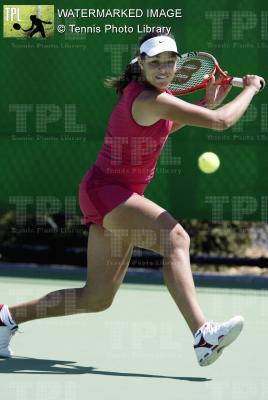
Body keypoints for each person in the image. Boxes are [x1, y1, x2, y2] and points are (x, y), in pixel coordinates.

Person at [0, 31, 264, 366]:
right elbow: (221, 122)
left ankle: (6, 318)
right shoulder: (152, 98)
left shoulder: (148, 95)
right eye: (156, 63)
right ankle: (203, 335)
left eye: (170, 62)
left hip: (106, 194)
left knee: (96, 298)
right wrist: (251, 89)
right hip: (109, 193)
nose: (164, 68)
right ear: (140, 64)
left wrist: (203, 104)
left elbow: (166, 126)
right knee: (176, 239)